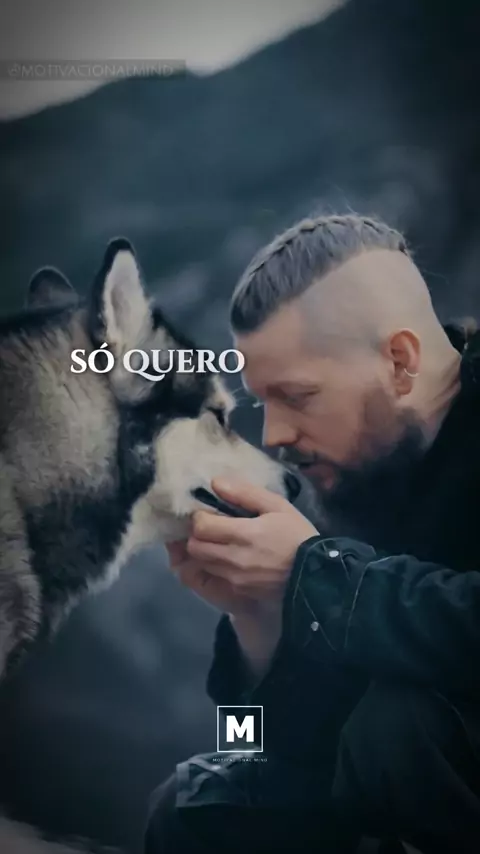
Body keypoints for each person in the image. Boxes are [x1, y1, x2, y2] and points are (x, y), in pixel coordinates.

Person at [144, 214, 480, 854]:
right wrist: (258, 625)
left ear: (400, 362)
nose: (274, 435)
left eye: (297, 396)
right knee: (200, 798)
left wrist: (315, 575)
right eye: (262, 402)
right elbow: (246, 749)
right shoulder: (349, 480)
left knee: (400, 728)